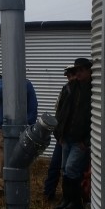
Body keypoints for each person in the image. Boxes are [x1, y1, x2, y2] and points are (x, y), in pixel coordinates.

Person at [53, 57, 92, 209]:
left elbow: (98, 118)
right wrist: (59, 133)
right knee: (65, 169)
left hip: (80, 140)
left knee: (71, 168)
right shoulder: (70, 88)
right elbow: (62, 113)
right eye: (77, 70)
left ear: (90, 71)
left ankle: (76, 203)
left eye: (82, 70)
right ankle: (66, 200)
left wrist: (87, 140)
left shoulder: (94, 90)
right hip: (66, 137)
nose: (78, 73)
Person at [0, 75, 38, 193]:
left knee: (21, 155)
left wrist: (28, 124)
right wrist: (9, 83)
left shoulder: (27, 84)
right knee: (3, 156)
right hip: (3, 126)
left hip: (22, 127)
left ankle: (20, 181)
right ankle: (2, 185)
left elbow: (33, 105)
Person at [43, 65, 77, 201]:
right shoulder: (65, 89)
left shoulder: (85, 91)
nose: (70, 79)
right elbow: (58, 111)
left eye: (72, 75)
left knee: (71, 169)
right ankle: (49, 193)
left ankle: (69, 198)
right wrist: (58, 133)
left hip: (75, 137)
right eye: (68, 76)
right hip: (62, 135)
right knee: (56, 165)